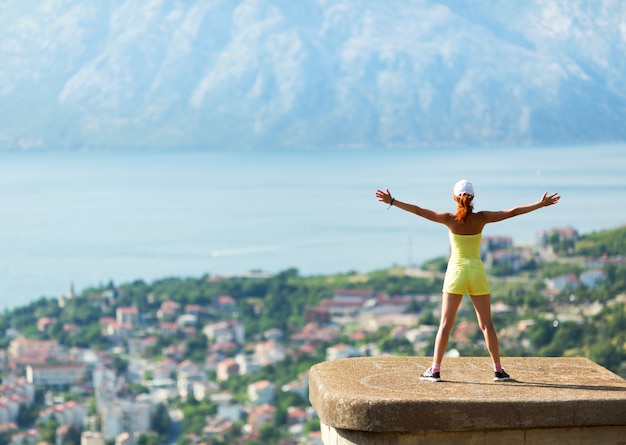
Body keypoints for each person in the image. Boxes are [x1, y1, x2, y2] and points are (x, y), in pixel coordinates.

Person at [375, 180, 560, 382]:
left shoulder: (450, 219)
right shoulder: (482, 218)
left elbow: (419, 211)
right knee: (487, 325)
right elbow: (512, 212)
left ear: (455, 197)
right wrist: (539, 204)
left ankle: (435, 370)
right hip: (477, 272)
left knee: (445, 324)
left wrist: (392, 201)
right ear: (472, 197)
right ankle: (498, 370)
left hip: (456, 273)